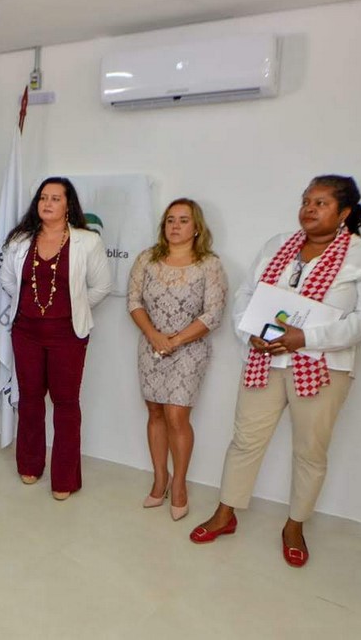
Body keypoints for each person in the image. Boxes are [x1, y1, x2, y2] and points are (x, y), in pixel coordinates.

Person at [190, 175, 361, 568]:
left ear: (344, 212)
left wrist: (307, 338)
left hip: (322, 368)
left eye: (321, 203)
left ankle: (294, 526)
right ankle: (226, 513)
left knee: (310, 450)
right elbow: (247, 294)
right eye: (306, 201)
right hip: (266, 360)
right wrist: (248, 331)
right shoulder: (277, 244)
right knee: (245, 440)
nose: (309, 209)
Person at [0, 177, 112, 500]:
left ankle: (65, 478)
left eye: (55, 198)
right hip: (26, 333)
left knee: (66, 405)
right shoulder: (20, 240)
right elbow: (9, 281)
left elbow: (102, 286)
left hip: (68, 335)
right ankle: (30, 464)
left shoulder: (87, 241)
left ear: (68, 205)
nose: (47, 203)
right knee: (30, 400)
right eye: (43, 198)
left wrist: (74, 307)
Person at [128, 198, 227, 521]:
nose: (175, 226)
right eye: (170, 220)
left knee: (176, 415)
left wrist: (175, 340)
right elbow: (134, 301)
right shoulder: (147, 259)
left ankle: (180, 484)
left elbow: (213, 313)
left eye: (183, 220)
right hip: (151, 346)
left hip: (190, 349)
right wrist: (154, 336)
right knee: (155, 411)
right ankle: (161, 479)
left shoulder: (209, 264)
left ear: (196, 227)